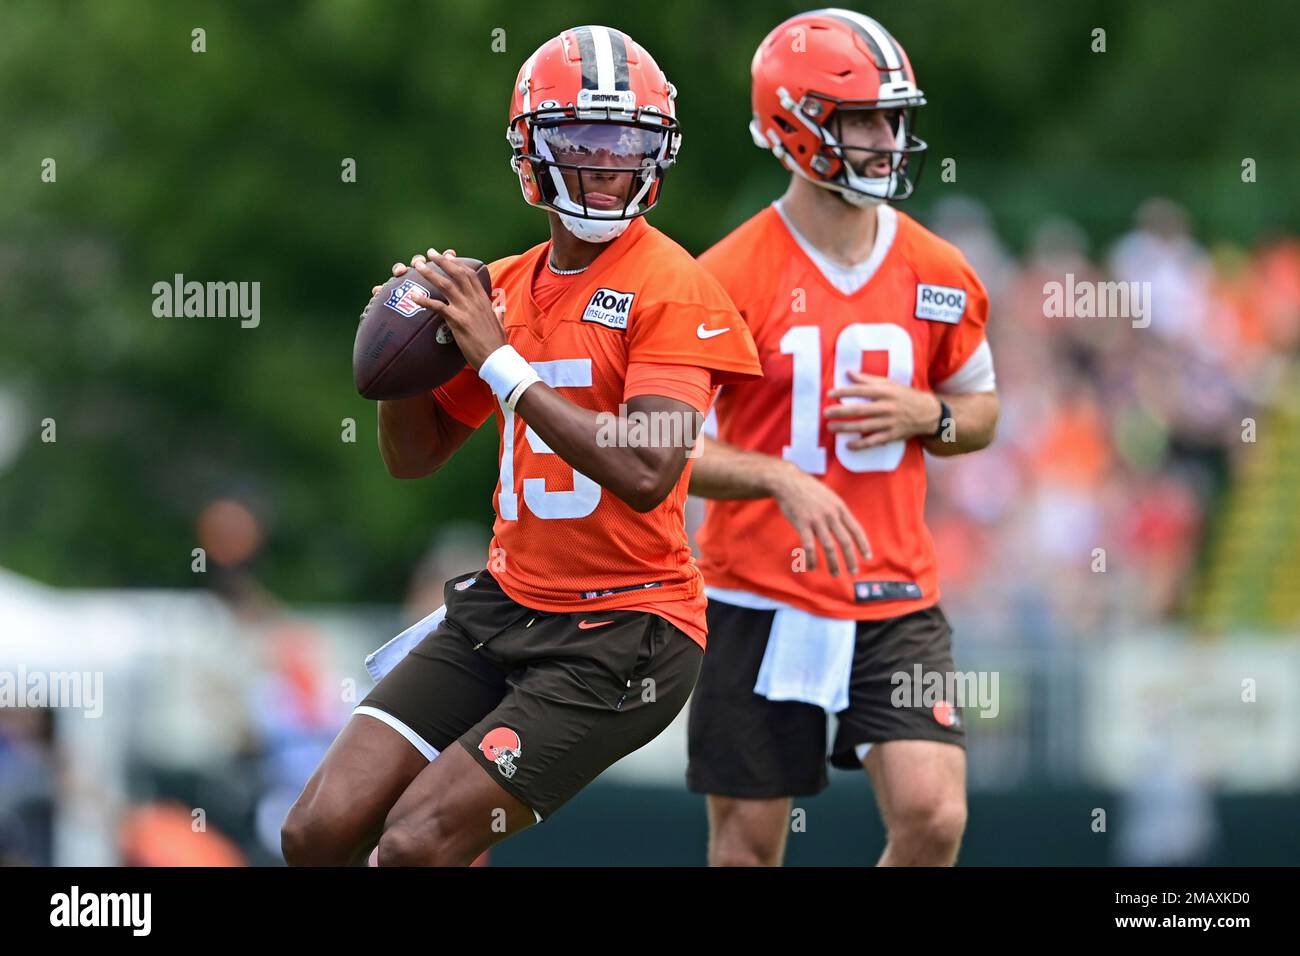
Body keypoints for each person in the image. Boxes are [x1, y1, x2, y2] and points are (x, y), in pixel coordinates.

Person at [282, 25, 761, 866]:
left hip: (627, 627)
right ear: (532, 153)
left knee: (416, 844)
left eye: (631, 141)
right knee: (316, 833)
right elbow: (414, 456)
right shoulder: (503, 284)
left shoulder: (676, 284)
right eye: (586, 138)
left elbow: (649, 471)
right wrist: (404, 356)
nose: (611, 162)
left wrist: (500, 363)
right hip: (507, 604)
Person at [686, 9, 999, 866]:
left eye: (892, 118)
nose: (885, 139)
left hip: (894, 592)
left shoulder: (939, 268)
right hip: (755, 590)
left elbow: (982, 411)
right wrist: (777, 479)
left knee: (934, 816)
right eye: (861, 118)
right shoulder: (727, 276)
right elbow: (669, 447)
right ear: (796, 122)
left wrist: (925, 415)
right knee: (748, 843)